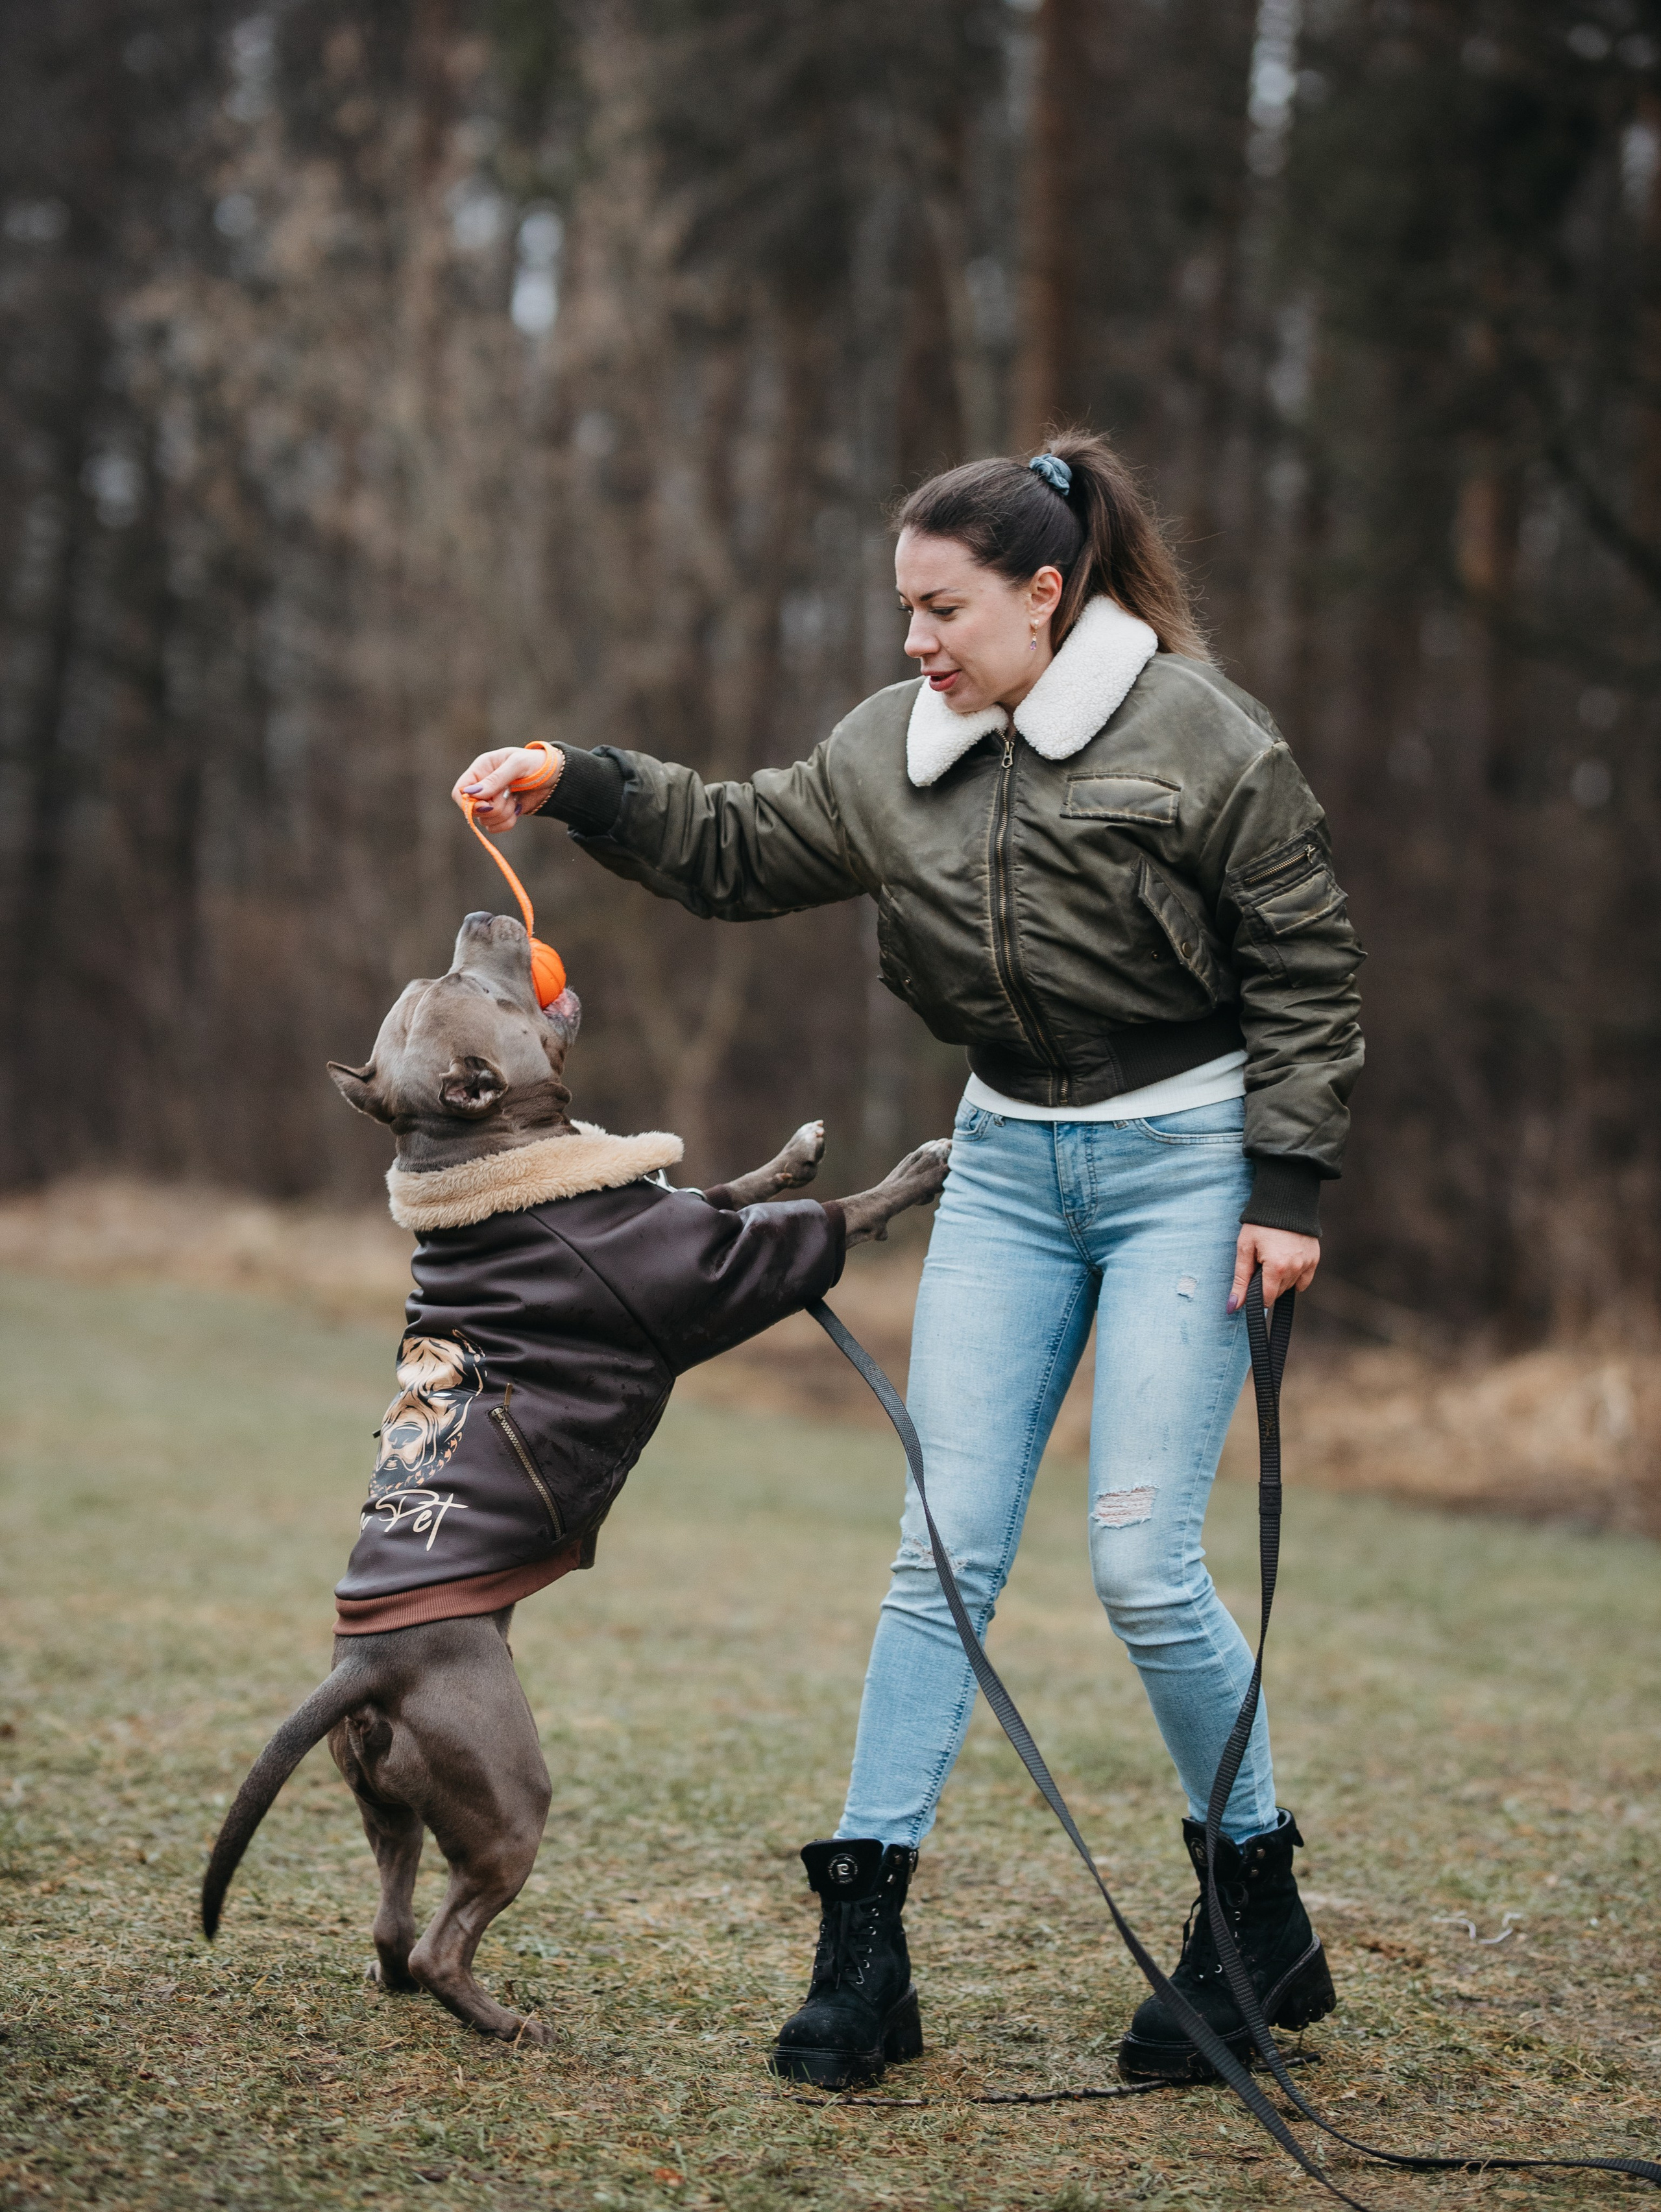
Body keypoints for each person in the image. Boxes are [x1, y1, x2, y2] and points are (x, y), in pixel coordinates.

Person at [451, 430, 1364, 2087]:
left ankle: (1254, 1912)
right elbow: (738, 844)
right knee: (935, 1554)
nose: (914, 644)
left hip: (1190, 1165)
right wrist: (573, 777)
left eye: (940, 609)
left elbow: (1304, 953)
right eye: (899, 612)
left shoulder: (1198, 734)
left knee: (1145, 1563)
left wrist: (1285, 1182)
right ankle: (864, 1947)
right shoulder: (896, 749)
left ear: (1043, 589)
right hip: (1006, 1164)